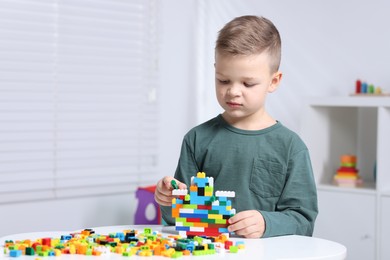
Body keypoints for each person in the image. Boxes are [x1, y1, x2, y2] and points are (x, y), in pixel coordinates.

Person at [154, 15, 318, 238]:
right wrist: (169, 199)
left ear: (274, 81)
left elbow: (303, 220)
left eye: (248, 83)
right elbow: (177, 217)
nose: (233, 91)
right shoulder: (196, 139)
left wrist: (266, 223)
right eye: (223, 80)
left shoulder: (291, 147)